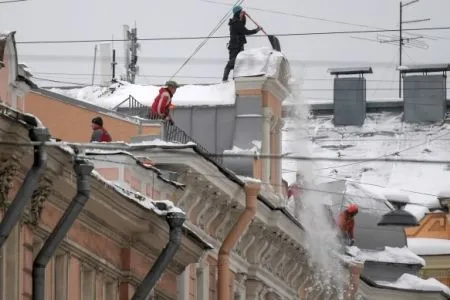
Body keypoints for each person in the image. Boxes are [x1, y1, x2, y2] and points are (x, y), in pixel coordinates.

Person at [222, 5, 262, 82]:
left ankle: (235, 79)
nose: (242, 14)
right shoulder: (236, 23)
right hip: (235, 46)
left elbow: (242, 23)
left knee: (238, 64)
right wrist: (256, 30)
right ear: (237, 13)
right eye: (240, 12)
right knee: (232, 63)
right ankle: (224, 79)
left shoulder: (236, 22)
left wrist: (244, 16)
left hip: (238, 45)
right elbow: (246, 31)